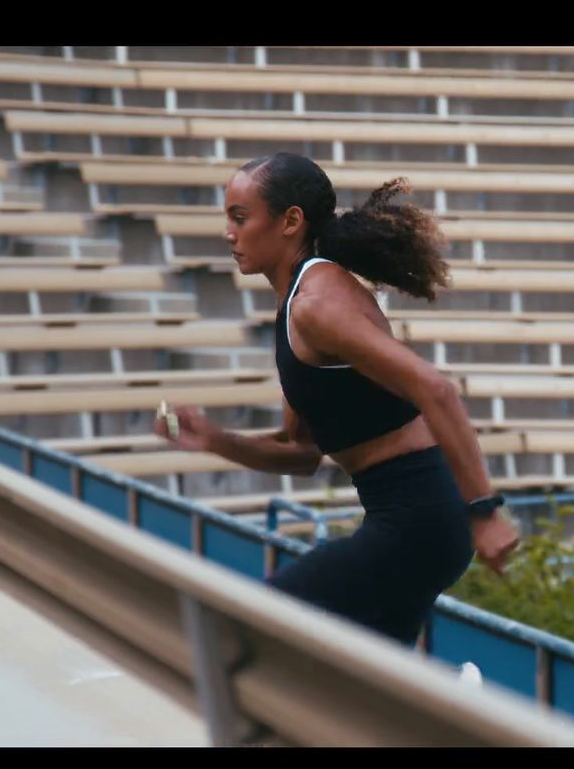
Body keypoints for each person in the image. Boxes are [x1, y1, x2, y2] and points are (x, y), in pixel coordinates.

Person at [155, 152, 520, 647]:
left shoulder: (318, 305)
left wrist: (486, 510)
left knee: (249, 629)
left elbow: (435, 389)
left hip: (421, 519)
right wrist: (215, 440)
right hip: (414, 519)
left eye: (240, 218)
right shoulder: (298, 304)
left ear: (289, 222)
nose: (229, 233)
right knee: (373, 689)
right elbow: (303, 453)